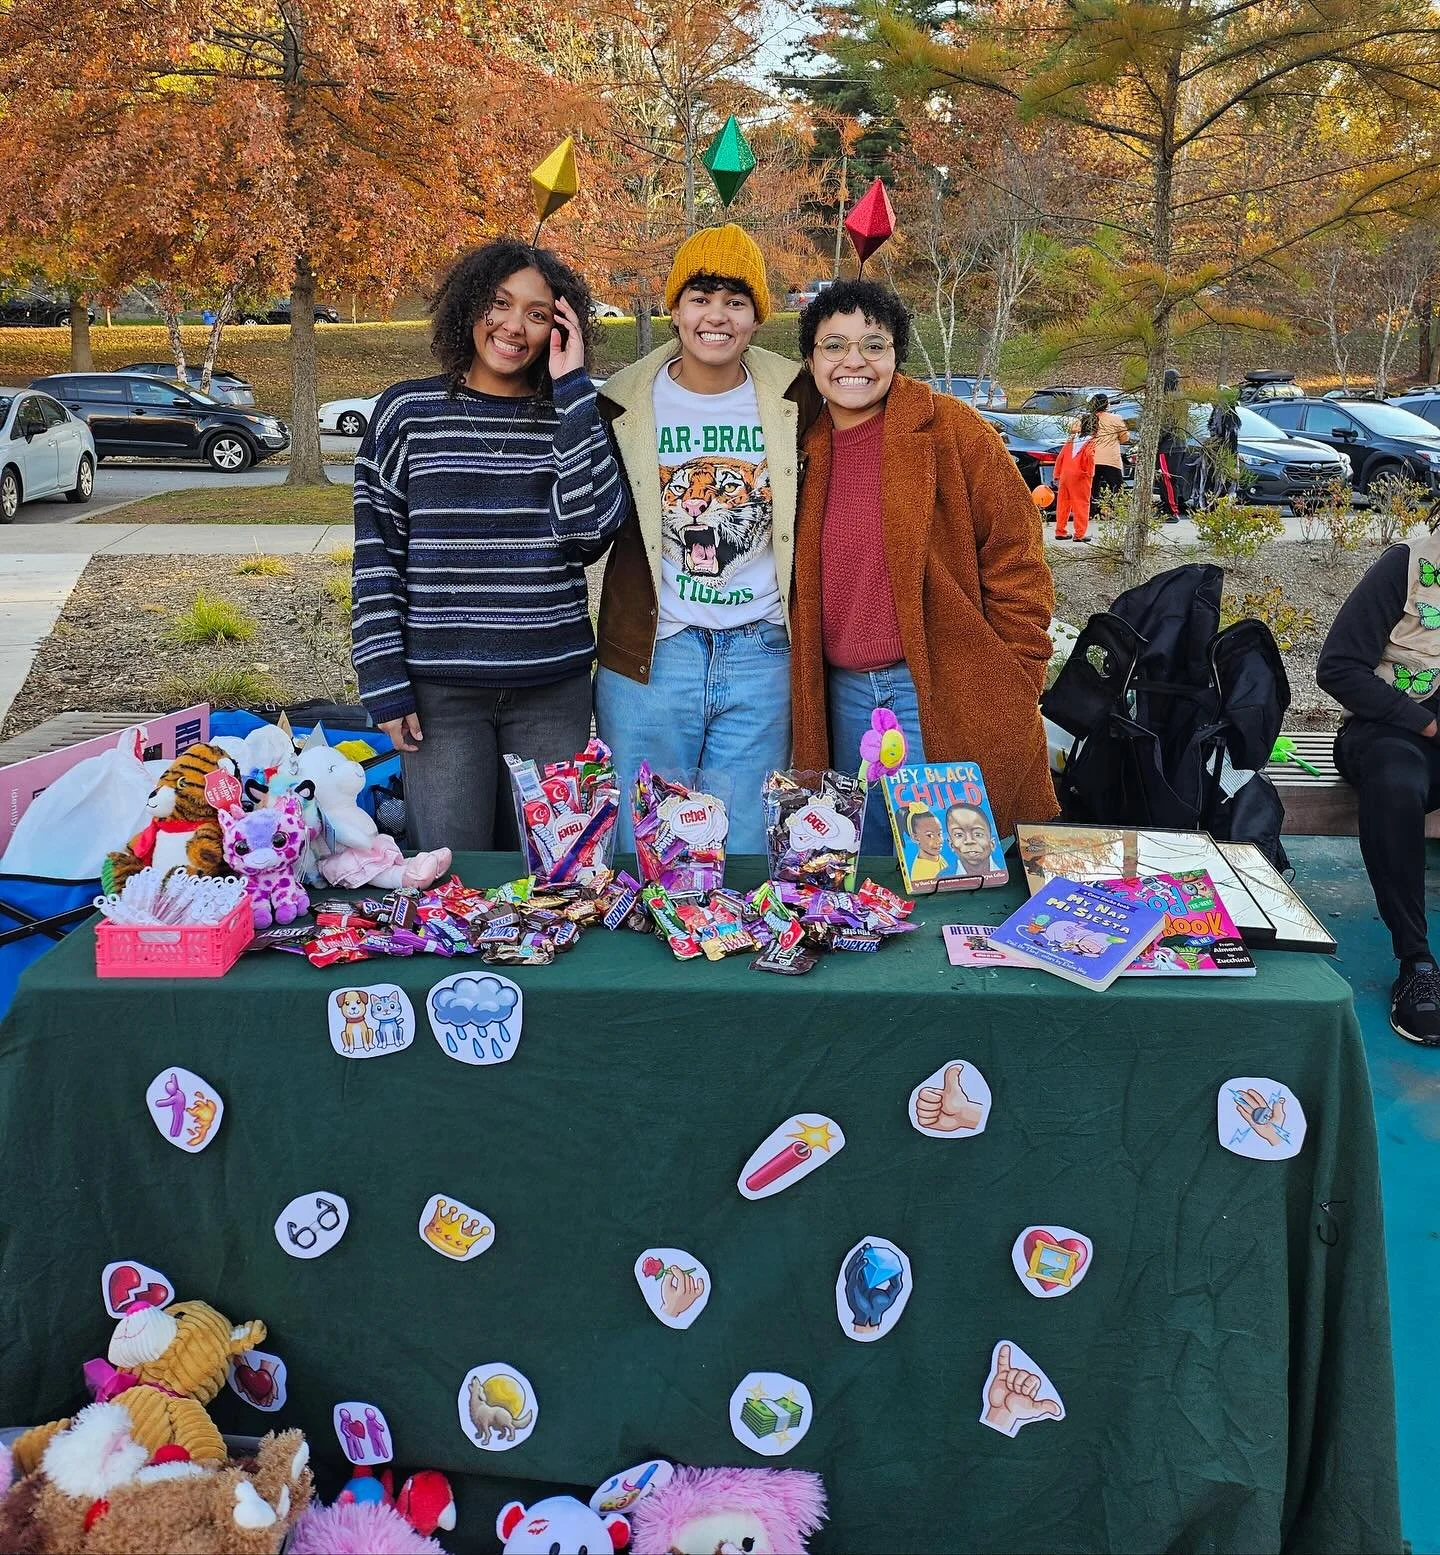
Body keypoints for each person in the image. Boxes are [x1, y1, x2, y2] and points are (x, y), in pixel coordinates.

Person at [351, 237, 628, 853]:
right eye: (500, 304)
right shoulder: (407, 413)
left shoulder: (576, 411)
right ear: (469, 306)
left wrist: (574, 389)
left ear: (559, 327)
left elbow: (589, 534)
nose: (513, 326)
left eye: (537, 313)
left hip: (550, 688)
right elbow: (377, 558)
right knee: (454, 876)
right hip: (441, 695)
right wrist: (384, 680)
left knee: (556, 875)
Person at [789, 279, 1058, 857]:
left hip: (941, 681)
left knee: (955, 860)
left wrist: (1017, 671)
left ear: (896, 354)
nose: (853, 360)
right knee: (866, 861)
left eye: (874, 344)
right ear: (810, 359)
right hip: (840, 694)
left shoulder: (951, 431)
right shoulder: (801, 443)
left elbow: (1016, 555)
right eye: (834, 345)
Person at [593, 224, 813, 853]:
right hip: (654, 655)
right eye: (700, 296)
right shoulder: (620, 401)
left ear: (756, 316)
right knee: (640, 851)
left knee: (744, 850)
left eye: (735, 301)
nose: (716, 316)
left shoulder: (798, 395)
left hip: (763, 654)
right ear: (676, 307)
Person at [1317, 520, 1440, 1044]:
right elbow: (1338, 668)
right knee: (1394, 781)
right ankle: (1416, 964)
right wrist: (1428, 723)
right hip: (1394, 733)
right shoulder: (1407, 565)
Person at [1078, 392, 1128, 521]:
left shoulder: (1088, 419)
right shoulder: (1116, 419)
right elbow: (1124, 437)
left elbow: (1077, 432)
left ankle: (1092, 512)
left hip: (1092, 458)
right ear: (1107, 404)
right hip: (1110, 459)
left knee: (1092, 487)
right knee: (1116, 486)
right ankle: (1118, 511)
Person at [1052, 410, 1097, 542]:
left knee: (1063, 503)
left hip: (1065, 474)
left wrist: (1057, 473)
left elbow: (1061, 456)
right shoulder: (1090, 442)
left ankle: (1060, 531)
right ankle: (1079, 534)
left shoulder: (1072, 440)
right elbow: (1089, 456)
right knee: (1081, 504)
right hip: (1080, 475)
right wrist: (1090, 472)